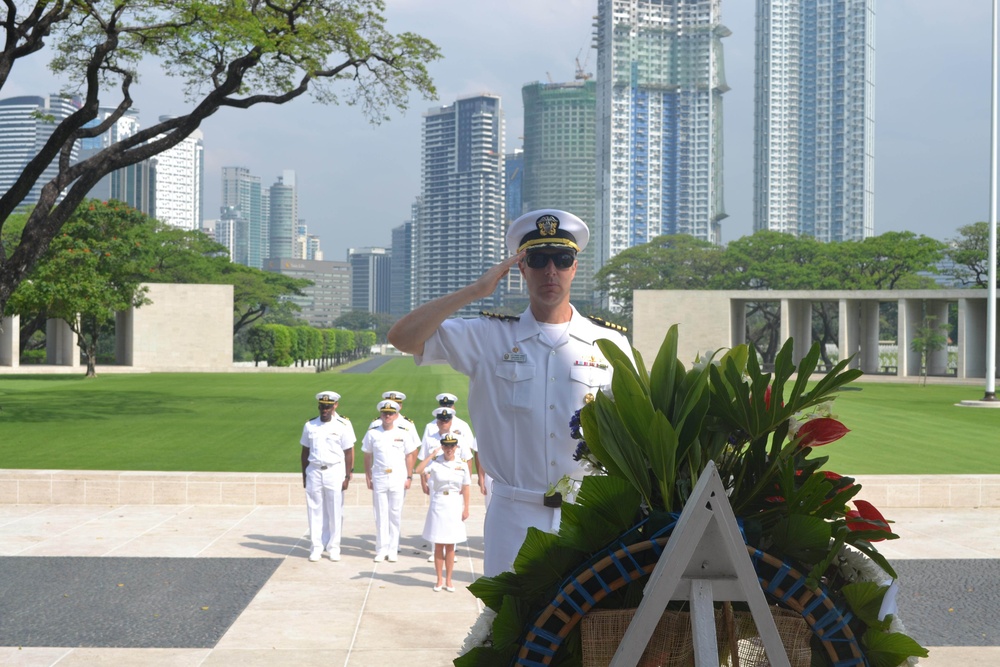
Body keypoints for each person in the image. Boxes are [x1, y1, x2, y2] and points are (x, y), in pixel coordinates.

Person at [388, 209, 635, 577]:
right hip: (513, 513)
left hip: (587, 512)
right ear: (521, 269)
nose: (550, 271)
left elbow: (631, 431)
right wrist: (476, 290)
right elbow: (402, 338)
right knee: (505, 627)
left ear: (574, 268)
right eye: (537, 260)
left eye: (562, 259)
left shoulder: (609, 342)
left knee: (586, 627)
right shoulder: (488, 336)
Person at [300, 390, 355, 562]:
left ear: (335, 406)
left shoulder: (343, 425)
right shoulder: (310, 425)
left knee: (335, 511)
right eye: (322, 407)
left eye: (328, 407)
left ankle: (334, 546)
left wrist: (348, 475)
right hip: (314, 470)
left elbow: (349, 452)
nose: (325, 410)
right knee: (314, 510)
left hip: (334, 470)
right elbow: (305, 451)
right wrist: (304, 475)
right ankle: (316, 546)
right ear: (318, 406)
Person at [362, 399, 419, 562]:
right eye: (385, 413)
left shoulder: (403, 433)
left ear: (395, 415)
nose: (387, 416)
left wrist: (409, 476)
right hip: (379, 475)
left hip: (398, 476)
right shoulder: (373, 432)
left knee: (395, 513)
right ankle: (381, 549)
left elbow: (410, 455)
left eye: (391, 413)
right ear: (380, 414)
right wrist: (368, 475)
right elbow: (367, 454)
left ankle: (393, 549)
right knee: (380, 513)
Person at [413, 433, 470, 591]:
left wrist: (466, 508)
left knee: (451, 546)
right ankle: (439, 579)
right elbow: (418, 470)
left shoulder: (462, 464)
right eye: (446, 446)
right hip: (438, 503)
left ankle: (449, 579)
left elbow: (466, 487)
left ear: (456, 447)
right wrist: (431, 454)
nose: (449, 449)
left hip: (454, 503)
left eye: (452, 446)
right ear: (442, 447)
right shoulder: (435, 462)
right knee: (438, 545)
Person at [421, 393, 488, 499]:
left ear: (453, 406)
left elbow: (468, 455)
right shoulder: (430, 427)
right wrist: (423, 481)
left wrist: (467, 481)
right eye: (443, 405)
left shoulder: (463, 425)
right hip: (435, 477)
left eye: (448, 405)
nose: (446, 408)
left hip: (456, 477)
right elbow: (425, 454)